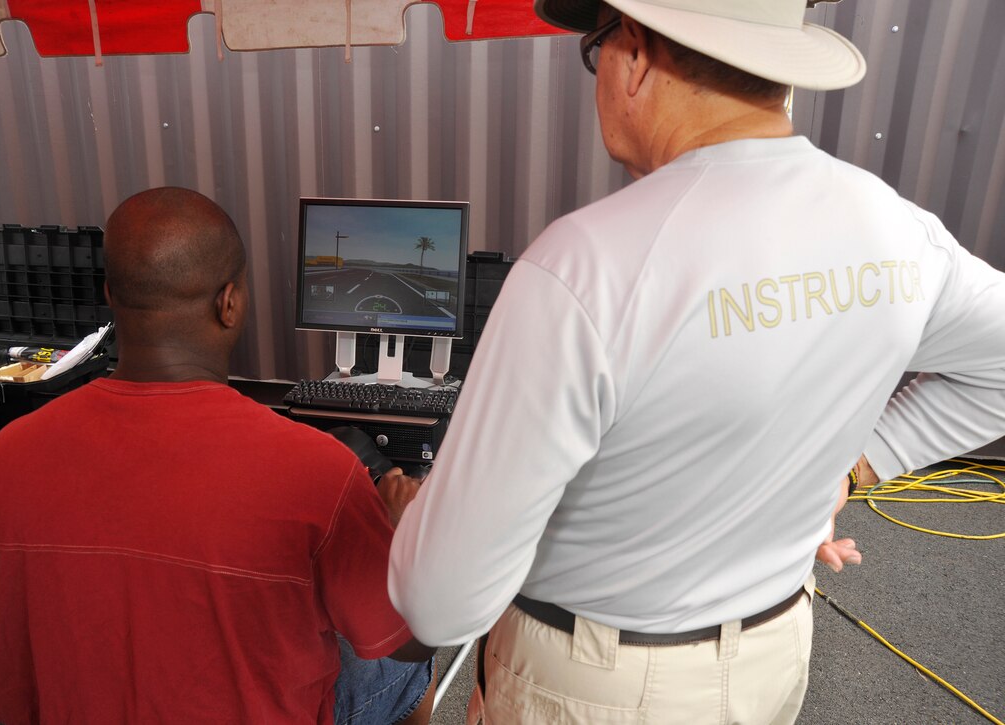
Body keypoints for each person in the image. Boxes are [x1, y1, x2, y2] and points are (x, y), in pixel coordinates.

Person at [388, 1, 1005, 722]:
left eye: (596, 48)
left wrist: (410, 516)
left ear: (638, 54)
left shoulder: (586, 266)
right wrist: (856, 465)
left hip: (592, 687)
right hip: (773, 656)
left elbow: (438, 603)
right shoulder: (895, 228)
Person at [0, 187, 435, 724]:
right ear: (229, 302)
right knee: (413, 666)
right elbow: (408, 642)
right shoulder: (320, 473)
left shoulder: (0, 460)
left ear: (111, 296)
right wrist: (400, 538)